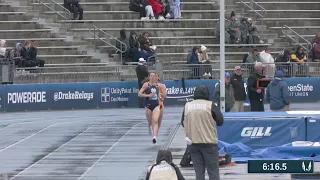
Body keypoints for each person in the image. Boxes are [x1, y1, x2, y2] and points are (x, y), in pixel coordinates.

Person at [181, 85, 224, 180]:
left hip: (193, 144)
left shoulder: (187, 106)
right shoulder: (210, 105)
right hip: (209, 143)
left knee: (199, 173)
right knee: (213, 172)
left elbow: (183, 123)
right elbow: (220, 121)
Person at [138, 73, 166, 143]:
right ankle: (151, 127)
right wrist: (148, 95)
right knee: (150, 122)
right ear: (150, 77)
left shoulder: (160, 86)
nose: (154, 78)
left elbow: (164, 95)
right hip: (148, 105)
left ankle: (155, 135)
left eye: (155, 76)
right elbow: (139, 94)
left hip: (158, 104)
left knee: (156, 120)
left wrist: (160, 94)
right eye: (152, 76)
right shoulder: (146, 85)